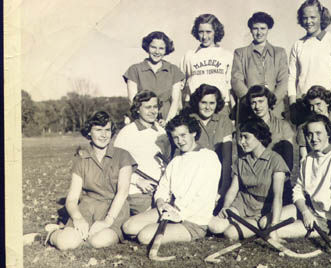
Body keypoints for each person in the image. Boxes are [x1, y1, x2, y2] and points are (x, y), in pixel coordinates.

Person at [123, 114, 221, 244]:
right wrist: (160, 202)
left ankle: (167, 231)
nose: (180, 141)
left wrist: (179, 215)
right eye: (175, 137)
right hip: (169, 211)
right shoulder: (176, 161)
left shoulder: (208, 157)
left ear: (193, 133)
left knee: (144, 236)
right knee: (128, 227)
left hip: (193, 220)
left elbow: (204, 197)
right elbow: (163, 187)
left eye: (183, 135)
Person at [267, 114, 331, 246]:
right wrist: (305, 212)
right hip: (309, 208)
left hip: (327, 220)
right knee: (265, 222)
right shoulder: (308, 159)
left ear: (328, 134)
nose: (313, 138)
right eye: (310, 134)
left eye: (318, 133)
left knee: (276, 231)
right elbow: (298, 191)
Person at [48, 111, 136, 250]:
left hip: (114, 209)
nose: (104, 135)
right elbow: (71, 199)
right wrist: (78, 218)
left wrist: (107, 221)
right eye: (98, 130)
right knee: (66, 243)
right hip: (88, 208)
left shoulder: (123, 155)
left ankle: (71, 231)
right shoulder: (81, 159)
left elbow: (123, 192)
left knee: (98, 242)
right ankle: (50, 234)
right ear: (89, 132)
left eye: (107, 130)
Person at [208, 118, 290, 240]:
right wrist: (226, 207)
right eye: (240, 137)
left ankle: (258, 227)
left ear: (259, 137)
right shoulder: (241, 160)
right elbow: (233, 190)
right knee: (214, 226)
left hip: (262, 210)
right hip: (242, 204)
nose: (241, 142)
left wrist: (274, 226)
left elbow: (278, 197)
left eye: (246, 137)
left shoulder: (276, 160)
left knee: (230, 234)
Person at [114, 91, 172, 235]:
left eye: (155, 107)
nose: (153, 111)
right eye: (147, 107)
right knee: (153, 218)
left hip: (160, 189)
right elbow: (115, 164)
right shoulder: (127, 132)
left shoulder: (162, 131)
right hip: (137, 191)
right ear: (137, 109)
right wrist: (137, 180)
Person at [288, 0, 331, 125]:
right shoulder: (298, 45)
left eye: (313, 17)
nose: (308, 21)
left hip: (326, 108)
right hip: (303, 107)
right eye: (305, 18)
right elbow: (292, 77)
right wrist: (293, 104)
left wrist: (327, 103)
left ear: (321, 17)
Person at [231, 11, 288, 120]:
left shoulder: (279, 53)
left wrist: (271, 103)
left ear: (268, 30)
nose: (259, 32)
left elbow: (283, 81)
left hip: (274, 109)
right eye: (255, 28)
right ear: (251, 30)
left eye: (263, 28)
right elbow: (236, 81)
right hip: (249, 110)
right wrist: (252, 103)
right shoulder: (240, 53)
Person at [183, 84, 233, 202]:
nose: (207, 107)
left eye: (212, 103)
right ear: (197, 103)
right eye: (203, 102)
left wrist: (224, 187)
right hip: (194, 176)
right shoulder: (188, 120)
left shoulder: (224, 121)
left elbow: (227, 157)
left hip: (219, 176)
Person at [123, 31, 184, 126]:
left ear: (166, 50)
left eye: (161, 48)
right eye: (153, 47)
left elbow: (175, 101)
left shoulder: (174, 70)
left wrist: (168, 123)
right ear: (147, 47)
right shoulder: (134, 70)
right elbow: (133, 101)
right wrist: (147, 122)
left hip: (167, 120)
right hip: (142, 121)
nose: (157, 52)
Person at [180, 14, 233, 112]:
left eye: (208, 32)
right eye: (201, 32)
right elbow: (181, 87)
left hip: (220, 107)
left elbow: (230, 87)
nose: (204, 36)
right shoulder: (189, 55)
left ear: (215, 32)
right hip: (194, 107)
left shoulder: (227, 55)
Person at [245, 85, 295, 171]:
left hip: (278, 174)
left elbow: (288, 162)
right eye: (253, 102)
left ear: (268, 101)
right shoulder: (245, 127)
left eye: (261, 101)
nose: (257, 106)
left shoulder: (283, 126)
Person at [297, 85, 331, 161]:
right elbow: (303, 155)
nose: (314, 109)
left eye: (318, 104)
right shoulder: (304, 127)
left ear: (327, 102)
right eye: (311, 106)